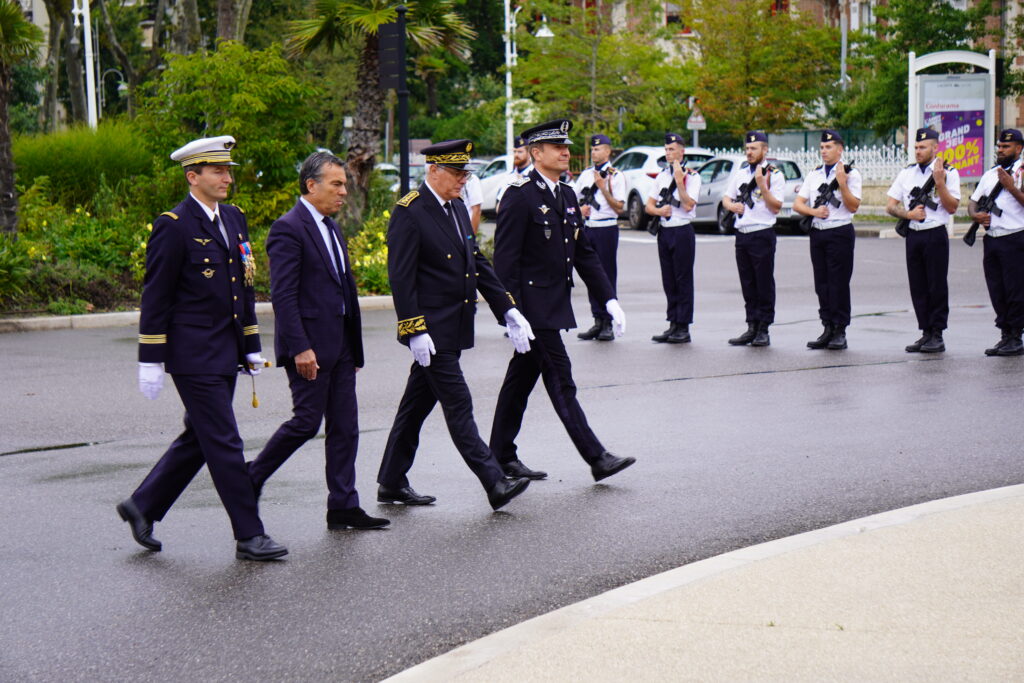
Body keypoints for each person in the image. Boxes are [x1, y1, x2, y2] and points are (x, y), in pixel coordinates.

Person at [117, 135, 287, 561]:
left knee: (201, 437)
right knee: (226, 441)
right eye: (217, 171)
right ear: (193, 177)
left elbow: (242, 289)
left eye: (227, 170)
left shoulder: (234, 218)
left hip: (225, 351)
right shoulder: (173, 225)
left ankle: (143, 505)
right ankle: (250, 535)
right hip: (192, 355)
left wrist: (250, 345)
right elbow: (156, 296)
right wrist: (151, 359)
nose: (227, 177)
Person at [377, 139, 534, 511]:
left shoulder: (458, 208)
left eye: (466, 173)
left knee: (415, 407)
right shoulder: (410, 212)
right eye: (457, 173)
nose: (464, 180)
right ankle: (494, 482)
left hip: (453, 325)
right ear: (434, 170)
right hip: (431, 331)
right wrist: (413, 329)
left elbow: (476, 263)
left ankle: (391, 481)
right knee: (459, 402)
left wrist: (508, 309)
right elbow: (401, 278)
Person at [246, 152, 389, 531]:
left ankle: (343, 504)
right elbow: (284, 296)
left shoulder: (331, 227)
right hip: (309, 346)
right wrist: (300, 347)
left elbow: (343, 288)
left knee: (345, 426)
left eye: (345, 183)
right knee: (306, 422)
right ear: (311, 185)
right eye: (337, 184)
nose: (345, 190)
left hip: (340, 344)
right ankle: (251, 478)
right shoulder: (287, 229)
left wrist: (352, 347)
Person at [490, 119, 635, 483]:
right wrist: (510, 315)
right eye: (557, 147)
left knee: (519, 382)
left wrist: (609, 299)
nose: (566, 152)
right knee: (561, 379)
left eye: (566, 146)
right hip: (532, 310)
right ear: (536, 153)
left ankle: (501, 455)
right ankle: (596, 457)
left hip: (553, 305)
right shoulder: (519, 195)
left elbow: (584, 254)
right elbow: (505, 263)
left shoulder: (567, 195)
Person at [885, 127, 960, 353]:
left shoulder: (948, 172)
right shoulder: (907, 173)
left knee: (936, 284)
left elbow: (953, 206)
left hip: (935, 233)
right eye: (916, 147)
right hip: (914, 234)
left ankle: (937, 333)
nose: (918, 151)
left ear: (935, 148)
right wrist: (908, 215)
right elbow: (890, 205)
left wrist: (939, 183)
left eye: (923, 147)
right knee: (918, 285)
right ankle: (925, 331)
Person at [793, 129, 862, 350]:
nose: (824, 151)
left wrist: (842, 184)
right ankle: (827, 327)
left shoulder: (852, 174)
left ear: (840, 150)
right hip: (818, 231)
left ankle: (840, 330)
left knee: (838, 283)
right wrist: (814, 212)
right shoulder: (814, 174)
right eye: (822, 147)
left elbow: (853, 206)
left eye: (829, 147)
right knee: (822, 283)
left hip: (839, 231)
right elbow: (798, 203)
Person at [723, 131, 786, 347]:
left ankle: (764, 328)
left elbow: (776, 207)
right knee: (748, 282)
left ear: (764, 150)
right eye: (747, 148)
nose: (749, 152)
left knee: (763, 282)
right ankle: (751, 325)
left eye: (754, 148)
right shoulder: (740, 173)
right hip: (742, 233)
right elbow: (726, 198)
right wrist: (732, 206)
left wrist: (762, 184)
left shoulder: (774, 174)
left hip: (762, 233)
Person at [968, 128, 1024, 356]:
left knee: (1015, 290)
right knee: (996, 289)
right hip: (992, 239)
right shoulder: (990, 174)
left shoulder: (1021, 172)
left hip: (1015, 237)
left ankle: (1015, 336)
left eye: (1006, 147)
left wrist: (1011, 187)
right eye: (999, 146)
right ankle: (1004, 333)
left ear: (1019, 148)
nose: (1001, 150)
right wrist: (975, 215)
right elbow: (973, 201)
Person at [645, 132, 702, 344]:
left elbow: (688, 205)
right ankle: (672, 323)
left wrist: (679, 181)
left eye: (672, 149)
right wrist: (659, 212)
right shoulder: (661, 176)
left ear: (682, 151)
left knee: (683, 279)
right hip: (665, 230)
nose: (668, 153)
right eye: (666, 150)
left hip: (682, 230)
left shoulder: (692, 176)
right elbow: (649, 206)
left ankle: (684, 326)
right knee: (669, 280)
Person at [573, 133, 626, 342]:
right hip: (589, 228)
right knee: (590, 274)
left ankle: (608, 323)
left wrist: (603, 187)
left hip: (606, 229)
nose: (594, 152)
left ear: (607, 151)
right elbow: (574, 200)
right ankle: (597, 319)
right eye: (592, 149)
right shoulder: (586, 175)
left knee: (606, 274)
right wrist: (580, 210)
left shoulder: (616, 176)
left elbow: (619, 207)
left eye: (598, 149)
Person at [495, 135, 533, 209]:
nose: (516, 155)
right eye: (514, 151)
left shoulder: (535, 175)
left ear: (529, 153)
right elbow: (499, 204)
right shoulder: (509, 177)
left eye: (520, 152)